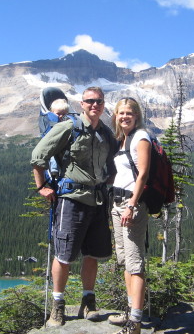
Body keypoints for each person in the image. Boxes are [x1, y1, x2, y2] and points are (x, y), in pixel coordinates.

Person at [30, 86, 116, 327]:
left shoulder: (105, 133)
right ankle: (57, 306)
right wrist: (42, 188)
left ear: (103, 103)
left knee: (92, 255)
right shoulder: (68, 127)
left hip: (98, 200)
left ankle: (88, 301)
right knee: (64, 255)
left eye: (98, 101)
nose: (94, 105)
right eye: (90, 101)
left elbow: (112, 163)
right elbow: (38, 156)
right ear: (82, 104)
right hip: (72, 200)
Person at [109, 97, 151, 334]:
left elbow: (143, 174)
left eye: (129, 113)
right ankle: (129, 311)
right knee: (125, 260)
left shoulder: (141, 137)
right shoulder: (123, 139)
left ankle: (135, 322)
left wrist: (132, 205)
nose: (124, 116)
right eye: (120, 113)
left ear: (136, 115)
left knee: (135, 264)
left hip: (130, 204)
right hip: (116, 203)